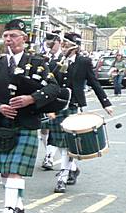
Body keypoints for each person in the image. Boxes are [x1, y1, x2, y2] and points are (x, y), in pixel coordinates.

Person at [0, 19, 65, 213]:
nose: (9, 40)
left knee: (15, 169)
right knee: (7, 172)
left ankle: (7, 212)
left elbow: (54, 88)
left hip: (26, 122)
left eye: (14, 36)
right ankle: (19, 207)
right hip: (0, 123)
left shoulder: (37, 62)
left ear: (24, 39)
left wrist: (31, 99)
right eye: (6, 36)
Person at [44, 32, 114, 194]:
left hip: (72, 105)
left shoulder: (83, 62)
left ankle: (62, 177)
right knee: (60, 142)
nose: (63, 47)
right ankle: (72, 169)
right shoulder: (56, 62)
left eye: (67, 45)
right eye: (63, 45)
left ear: (75, 47)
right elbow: (49, 84)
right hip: (57, 105)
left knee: (68, 142)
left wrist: (106, 103)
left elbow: (94, 82)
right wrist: (47, 107)